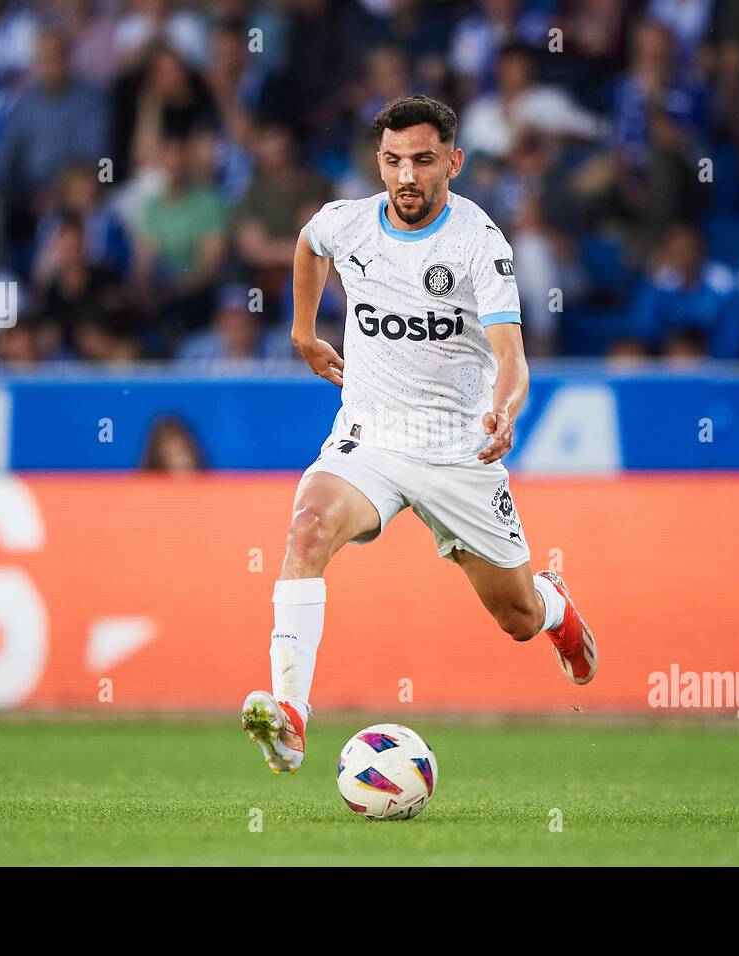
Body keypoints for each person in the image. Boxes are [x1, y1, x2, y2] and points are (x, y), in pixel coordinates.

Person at [240, 96, 598, 776]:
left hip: (456, 449)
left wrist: (506, 411)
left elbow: (512, 356)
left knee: (517, 617)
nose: (407, 177)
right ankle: (290, 717)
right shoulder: (348, 222)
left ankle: (558, 608)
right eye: (394, 161)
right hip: (369, 436)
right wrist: (302, 330)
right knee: (307, 525)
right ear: (379, 163)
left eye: (424, 161)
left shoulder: (478, 244)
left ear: (453, 163)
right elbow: (310, 243)